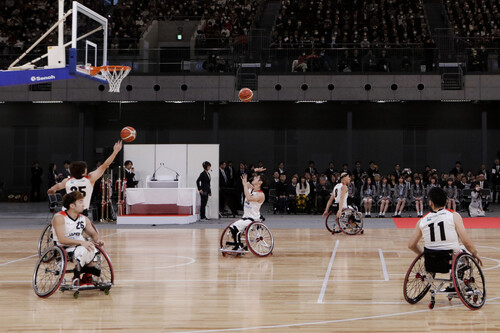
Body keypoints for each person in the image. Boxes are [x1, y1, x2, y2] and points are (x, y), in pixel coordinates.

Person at [408, 187, 482, 269]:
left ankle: (430, 277)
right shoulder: (454, 216)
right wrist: (475, 253)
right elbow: (467, 242)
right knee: (464, 249)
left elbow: (411, 245)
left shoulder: (422, 221)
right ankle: (459, 278)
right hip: (451, 258)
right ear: (446, 202)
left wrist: (425, 255)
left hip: (431, 259)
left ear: (430, 203)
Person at [47, 141, 123, 216]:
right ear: (84, 171)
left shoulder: (67, 181)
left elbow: (58, 186)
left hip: (67, 212)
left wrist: (52, 189)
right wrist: (115, 152)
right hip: (82, 211)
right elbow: (105, 165)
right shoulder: (90, 179)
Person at [52, 191, 104, 287]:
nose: (83, 204)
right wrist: (81, 242)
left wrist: (98, 240)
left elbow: (93, 234)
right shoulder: (59, 217)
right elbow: (62, 239)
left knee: (93, 249)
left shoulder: (84, 219)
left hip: (79, 245)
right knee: (84, 249)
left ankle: (87, 276)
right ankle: (76, 277)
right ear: (72, 205)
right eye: (80, 202)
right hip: (64, 247)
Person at [227, 170, 266, 250]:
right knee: (232, 227)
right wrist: (254, 170)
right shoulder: (251, 188)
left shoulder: (260, 194)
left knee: (235, 227)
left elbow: (249, 198)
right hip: (245, 217)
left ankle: (238, 245)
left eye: (257, 178)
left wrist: (245, 185)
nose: (254, 178)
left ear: (260, 182)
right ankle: (238, 244)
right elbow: (243, 176)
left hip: (253, 219)